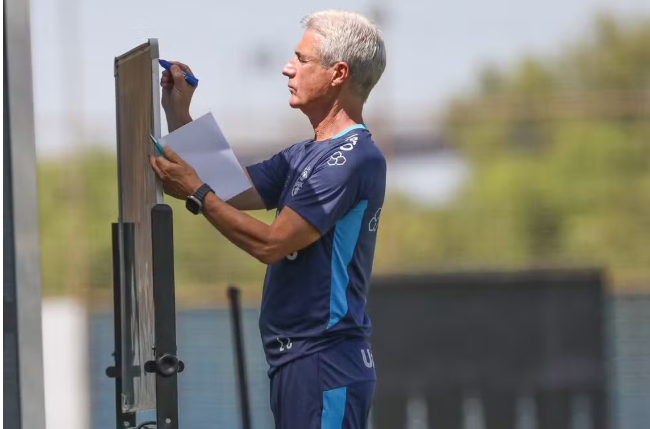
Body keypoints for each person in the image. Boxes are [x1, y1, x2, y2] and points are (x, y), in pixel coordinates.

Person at [149, 9, 386, 429]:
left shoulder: (353, 158)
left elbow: (272, 243)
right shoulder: (305, 152)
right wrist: (179, 113)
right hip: (299, 362)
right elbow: (231, 186)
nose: (287, 68)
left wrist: (197, 193)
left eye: (302, 59)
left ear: (338, 73)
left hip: (324, 362)